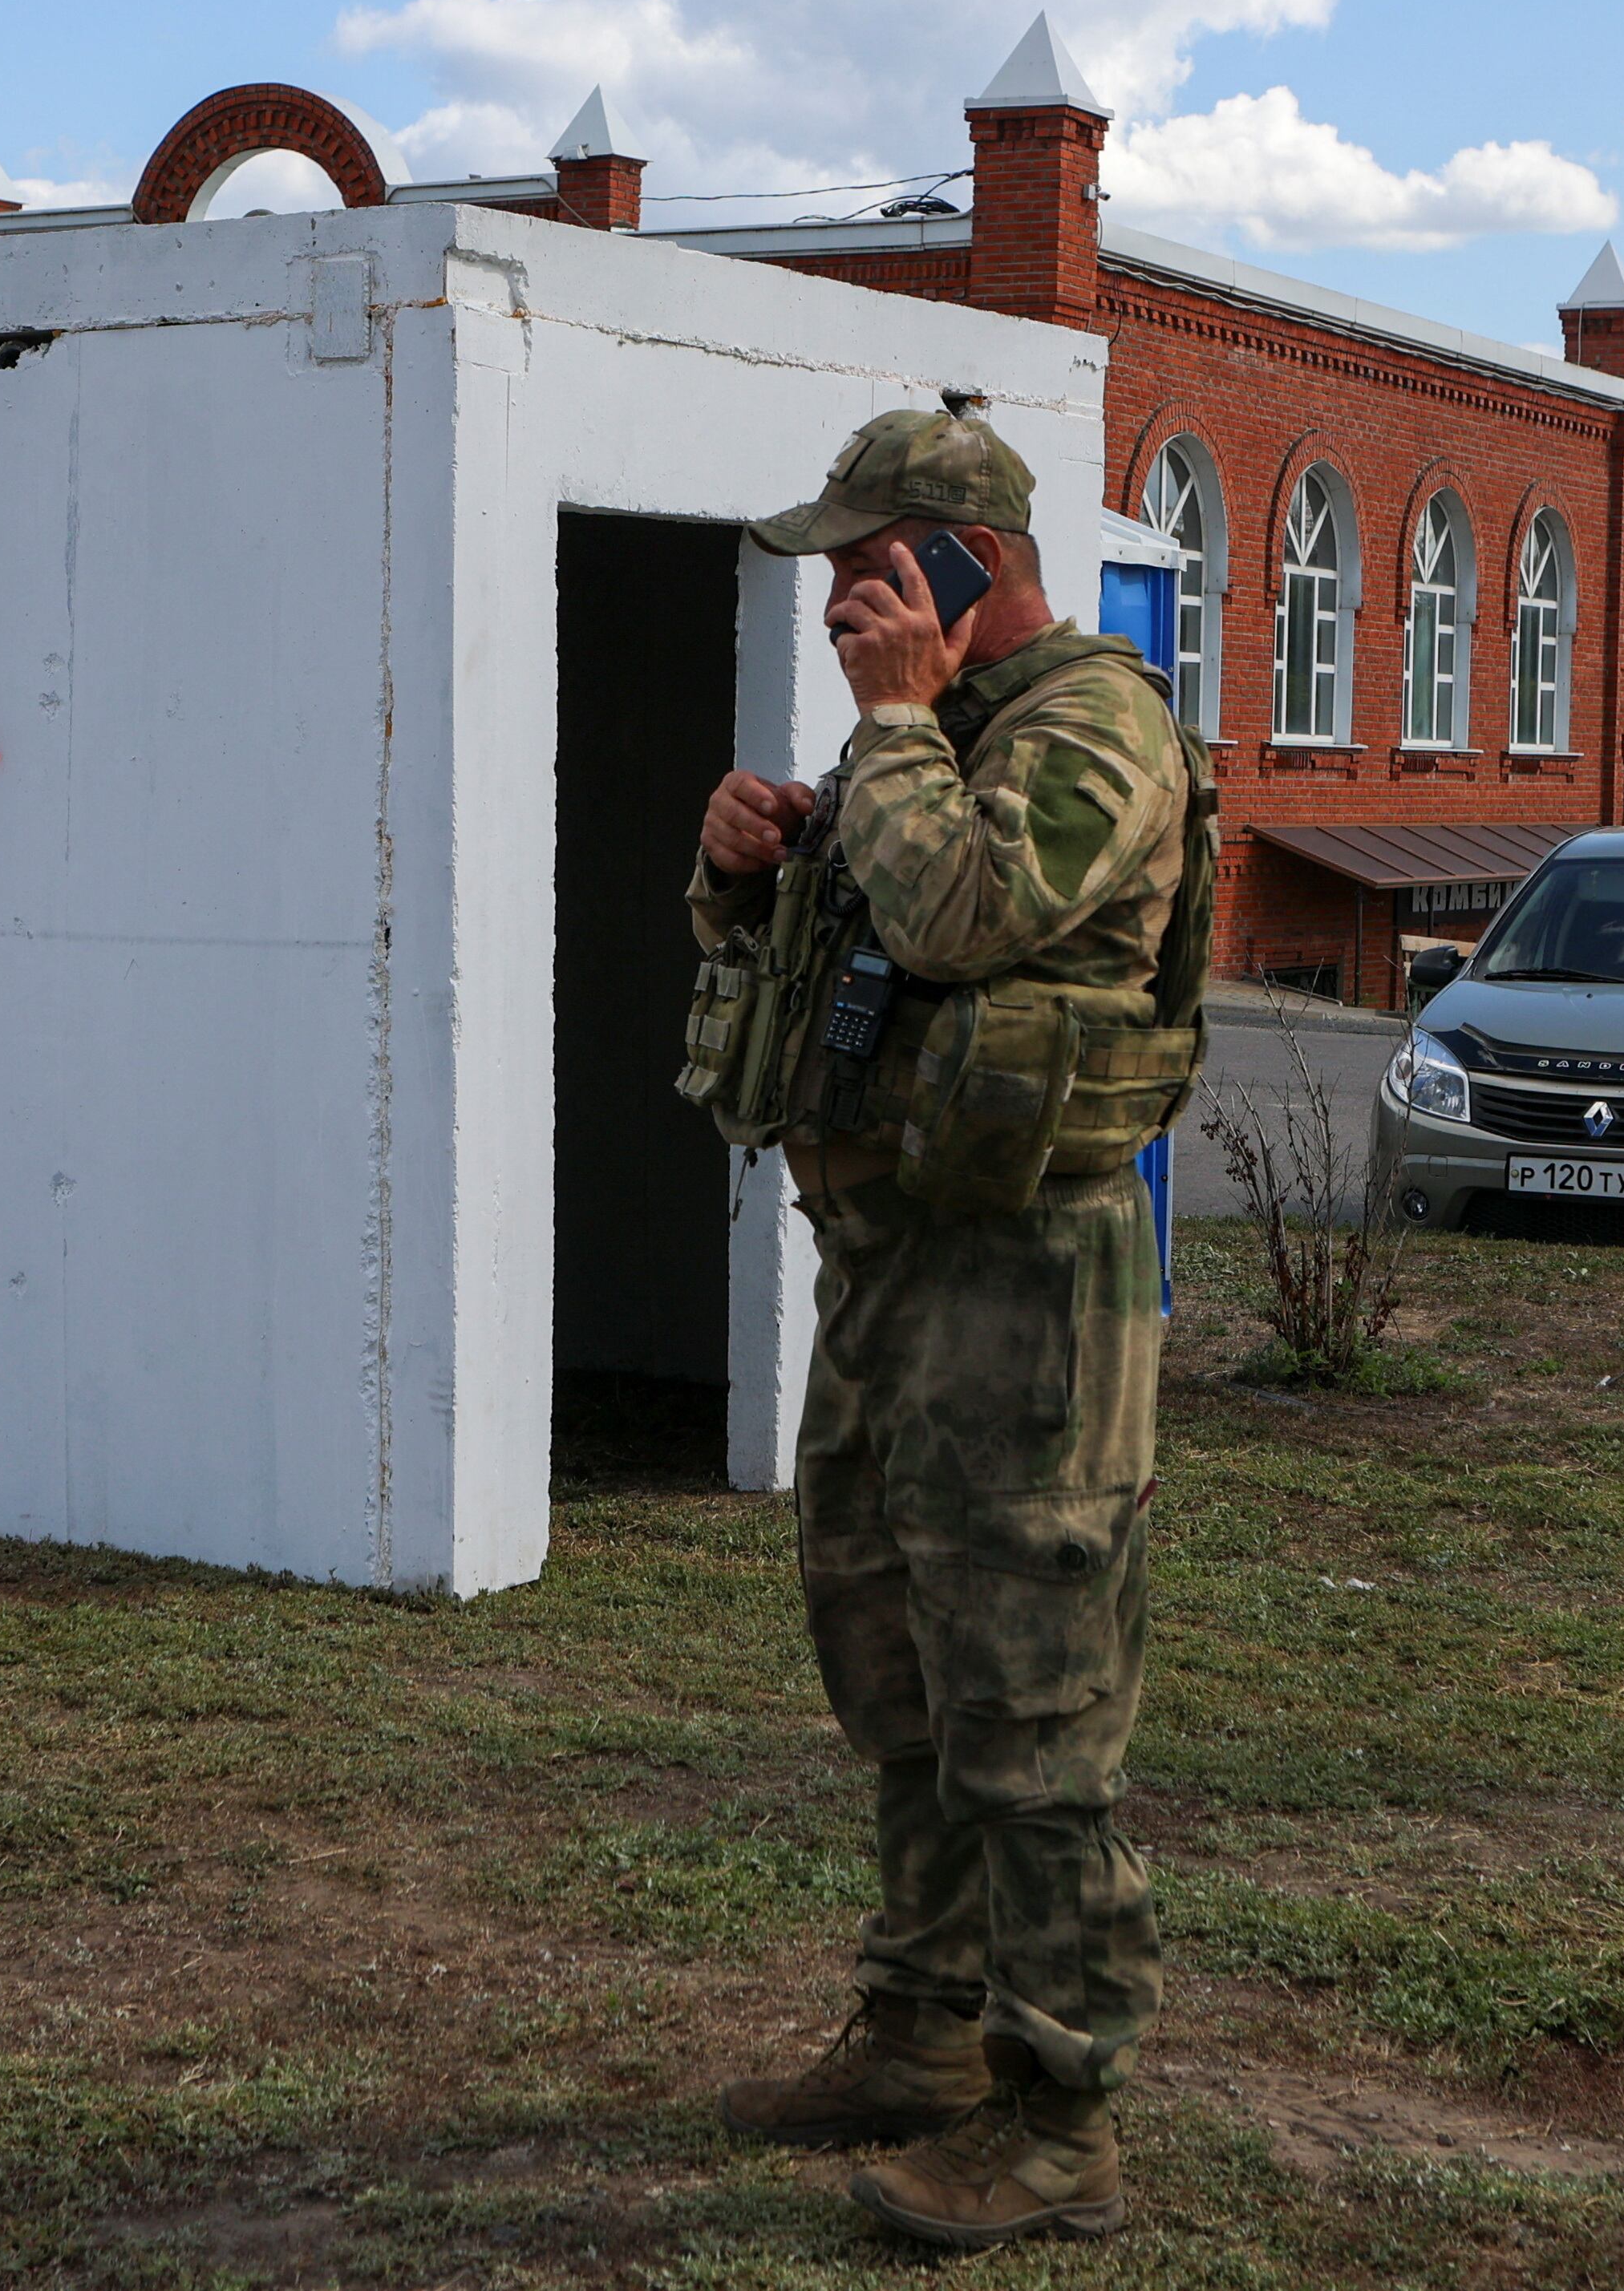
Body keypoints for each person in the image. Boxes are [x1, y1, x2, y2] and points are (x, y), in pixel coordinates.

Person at [685, 407, 1209, 2249]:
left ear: (964, 564)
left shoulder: (1090, 727)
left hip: (1027, 1297)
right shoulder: (923, 747)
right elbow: (823, 977)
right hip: (888, 1274)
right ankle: (918, 2032)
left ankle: (1058, 2118)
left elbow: (966, 908)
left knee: (1029, 1703)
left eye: (865, 560)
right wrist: (742, 868)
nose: (837, 595)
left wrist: (894, 728)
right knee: (895, 1672)